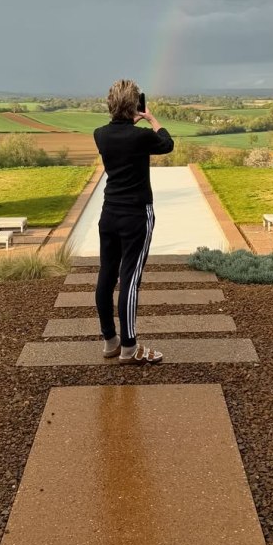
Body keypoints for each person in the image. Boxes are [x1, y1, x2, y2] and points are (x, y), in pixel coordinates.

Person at [93, 79, 174, 364]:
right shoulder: (141, 137)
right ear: (134, 105)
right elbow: (167, 143)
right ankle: (129, 348)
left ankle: (110, 341)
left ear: (110, 103)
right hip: (137, 215)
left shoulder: (99, 134)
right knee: (130, 279)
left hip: (109, 214)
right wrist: (151, 118)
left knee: (106, 275)